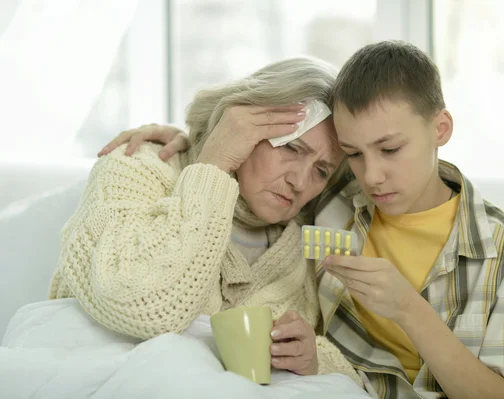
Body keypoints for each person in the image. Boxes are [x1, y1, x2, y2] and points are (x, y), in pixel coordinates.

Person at [105, 42, 504, 399]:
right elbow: (275, 167)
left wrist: (409, 309)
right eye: (354, 156)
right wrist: (195, 142)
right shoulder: (335, 203)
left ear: (440, 129)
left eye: (390, 149)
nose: (373, 175)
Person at [49, 56, 362, 385]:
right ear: (240, 125)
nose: (300, 181)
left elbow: (354, 375)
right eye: (292, 149)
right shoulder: (136, 168)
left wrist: (314, 358)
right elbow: (141, 305)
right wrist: (214, 163)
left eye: (321, 170)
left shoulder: (298, 247)